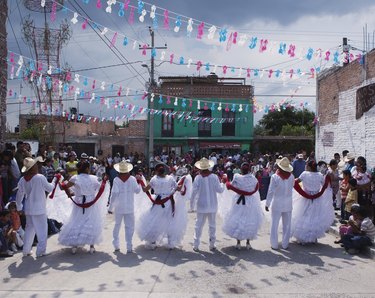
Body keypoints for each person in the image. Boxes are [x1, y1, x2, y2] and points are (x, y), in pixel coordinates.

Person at [58, 161, 109, 254]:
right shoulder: (94, 178)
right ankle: (92, 246)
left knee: (76, 220)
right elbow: (101, 188)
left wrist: (59, 180)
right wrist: (104, 181)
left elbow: (63, 187)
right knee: (90, 221)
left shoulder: (75, 178)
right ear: (86, 168)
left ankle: (74, 245)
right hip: (91, 202)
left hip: (78, 202)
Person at [16, 156, 57, 257]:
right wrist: (56, 179)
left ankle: (26, 250)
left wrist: (19, 207)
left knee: (30, 229)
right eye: (35, 165)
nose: (38, 166)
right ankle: (41, 251)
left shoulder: (22, 180)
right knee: (42, 230)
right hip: (39, 209)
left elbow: (19, 195)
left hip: (29, 209)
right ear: (32, 167)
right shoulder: (39, 177)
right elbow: (50, 188)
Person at [136, 162, 183, 249]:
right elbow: (179, 188)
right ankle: (170, 243)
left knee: (154, 221)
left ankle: (153, 243)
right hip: (168, 202)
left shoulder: (154, 179)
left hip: (157, 201)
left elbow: (145, 189)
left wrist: (141, 181)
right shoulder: (170, 178)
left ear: (157, 172)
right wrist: (183, 180)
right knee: (169, 221)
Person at [221, 162, 263, 250]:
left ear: (241, 169)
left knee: (238, 219)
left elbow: (231, 186)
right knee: (249, 220)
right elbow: (256, 189)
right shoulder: (254, 179)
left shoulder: (237, 177)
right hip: (250, 202)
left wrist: (226, 181)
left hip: (239, 201)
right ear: (249, 169)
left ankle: (238, 243)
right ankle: (248, 243)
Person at [291, 160, 335, 245]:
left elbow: (297, 182)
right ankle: (313, 237)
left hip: (305, 198)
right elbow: (324, 185)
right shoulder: (319, 175)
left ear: (309, 167)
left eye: (307, 165)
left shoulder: (304, 174)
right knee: (315, 217)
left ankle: (303, 238)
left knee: (304, 216)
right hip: (317, 198)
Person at [191, 158, 225, 252]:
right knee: (212, 225)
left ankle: (196, 245)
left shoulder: (198, 178)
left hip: (201, 205)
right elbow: (220, 190)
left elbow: (193, 193)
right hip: (212, 205)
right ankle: (212, 244)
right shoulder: (214, 177)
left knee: (198, 225)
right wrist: (223, 183)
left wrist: (192, 206)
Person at [108, 161, 141, 253]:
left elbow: (114, 194)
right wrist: (139, 182)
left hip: (119, 207)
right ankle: (129, 246)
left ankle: (116, 245)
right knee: (129, 227)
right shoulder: (133, 179)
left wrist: (110, 208)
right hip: (130, 207)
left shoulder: (116, 180)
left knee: (117, 226)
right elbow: (137, 191)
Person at [265, 157, 295, 250]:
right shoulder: (292, 177)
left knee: (274, 224)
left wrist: (267, 204)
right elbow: (292, 187)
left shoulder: (275, 177)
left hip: (277, 203)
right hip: (288, 203)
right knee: (287, 225)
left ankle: (274, 244)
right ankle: (285, 244)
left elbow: (271, 191)